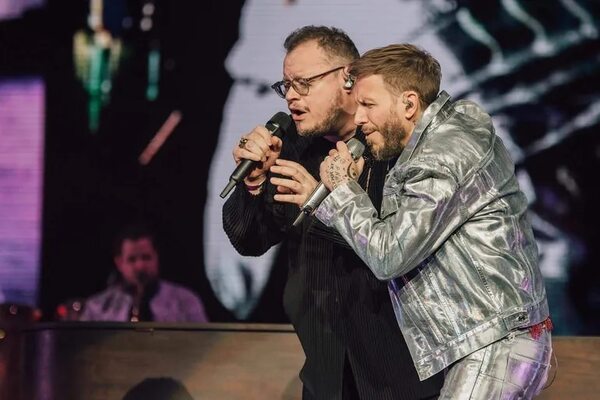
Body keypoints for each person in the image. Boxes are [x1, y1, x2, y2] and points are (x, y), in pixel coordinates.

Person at [315, 43, 553, 398]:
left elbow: (389, 255)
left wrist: (343, 192)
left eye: (368, 105)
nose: (359, 118)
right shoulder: (440, 141)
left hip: (496, 345)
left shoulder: (443, 156)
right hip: (493, 341)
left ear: (409, 104)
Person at [223, 26, 443, 399]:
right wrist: (255, 184)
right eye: (286, 86)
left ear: (348, 77)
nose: (291, 96)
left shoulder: (395, 143)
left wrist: (323, 202)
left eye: (303, 83)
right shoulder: (291, 145)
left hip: (404, 376)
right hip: (327, 376)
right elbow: (248, 241)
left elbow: (396, 249)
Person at [80, 224, 209, 323]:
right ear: (119, 263)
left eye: (146, 257)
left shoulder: (185, 301)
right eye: (132, 259)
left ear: (157, 257)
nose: (140, 266)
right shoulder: (97, 306)